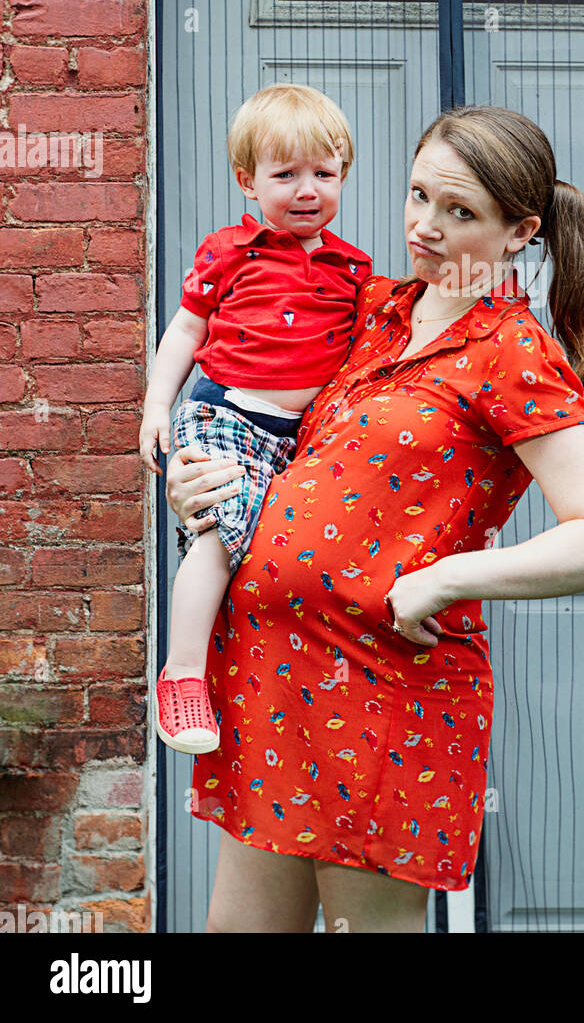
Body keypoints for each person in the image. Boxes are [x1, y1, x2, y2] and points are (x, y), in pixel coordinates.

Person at [165, 105, 584, 934]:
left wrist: (442, 578)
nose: (423, 227)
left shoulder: (511, 352)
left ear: (519, 231)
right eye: (417, 195)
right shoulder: (373, 311)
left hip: (383, 695)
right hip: (270, 677)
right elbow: (252, 398)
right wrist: (198, 478)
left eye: (459, 213)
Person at [140, 84, 372, 755]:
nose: (307, 190)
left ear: (342, 177)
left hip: (293, 443)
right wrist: (157, 407)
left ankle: (263, 702)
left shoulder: (352, 270)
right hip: (224, 416)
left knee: (269, 558)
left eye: (323, 174)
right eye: (285, 174)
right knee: (219, 534)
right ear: (247, 181)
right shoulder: (228, 252)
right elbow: (185, 330)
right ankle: (181, 675)